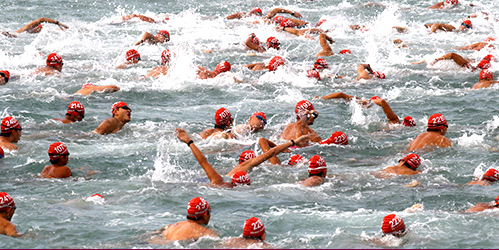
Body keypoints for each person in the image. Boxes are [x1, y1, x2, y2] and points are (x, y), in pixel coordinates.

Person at [175, 128, 309, 188]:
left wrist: (189, 142)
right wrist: (293, 143)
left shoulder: (220, 180)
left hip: (193, 183)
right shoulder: (220, 181)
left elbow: (203, 161)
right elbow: (267, 154)